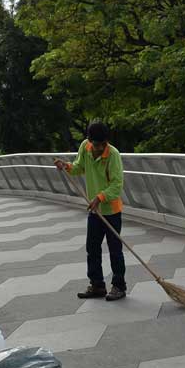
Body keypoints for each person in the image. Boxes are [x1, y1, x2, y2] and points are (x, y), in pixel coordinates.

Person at [54, 122, 126, 301]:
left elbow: (117, 185)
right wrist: (66, 166)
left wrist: (99, 198)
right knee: (92, 248)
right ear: (89, 140)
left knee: (115, 250)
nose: (100, 148)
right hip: (94, 212)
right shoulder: (85, 148)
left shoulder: (113, 155)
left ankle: (119, 286)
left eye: (103, 144)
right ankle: (97, 285)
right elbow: (79, 167)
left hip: (111, 211)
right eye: (96, 144)